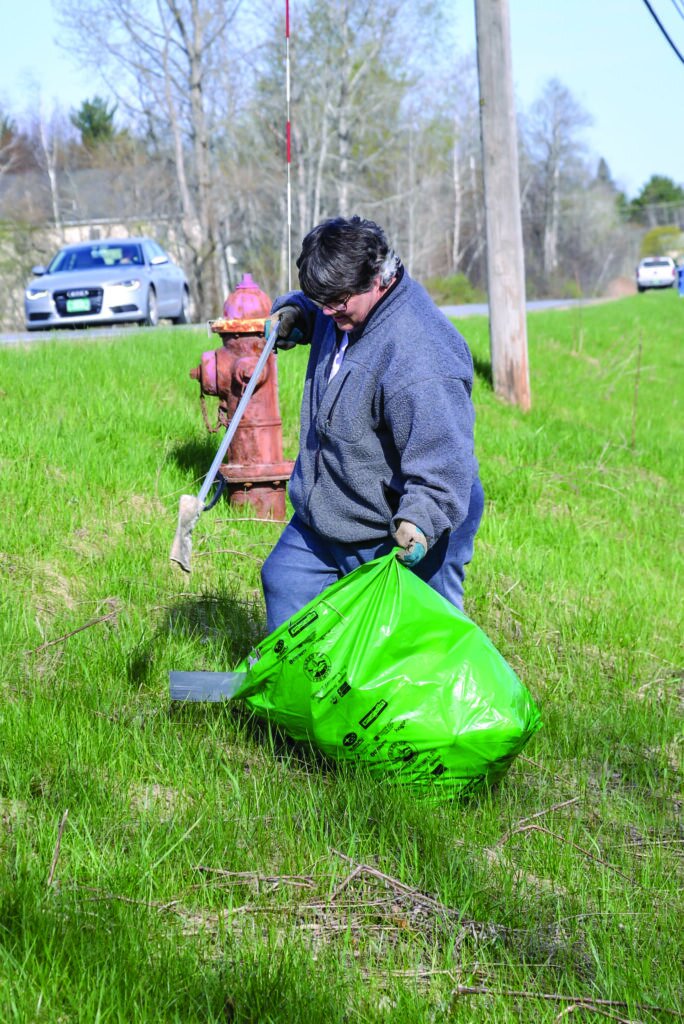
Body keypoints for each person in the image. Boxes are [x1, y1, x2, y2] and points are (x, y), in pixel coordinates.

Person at [261, 215, 484, 633]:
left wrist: (421, 521)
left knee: (421, 638)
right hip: (332, 508)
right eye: (320, 301)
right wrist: (299, 312)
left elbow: (444, 460)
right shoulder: (345, 306)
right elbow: (325, 307)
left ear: (379, 278)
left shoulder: (421, 355)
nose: (328, 312)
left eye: (336, 302)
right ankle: (305, 692)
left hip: (409, 516)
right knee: (285, 580)